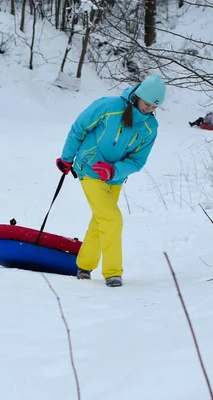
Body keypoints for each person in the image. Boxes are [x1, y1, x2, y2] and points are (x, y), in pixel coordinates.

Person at [55, 74, 166, 287]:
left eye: (154, 107)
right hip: (89, 170)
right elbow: (79, 128)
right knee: (112, 219)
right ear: (138, 96)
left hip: (114, 179)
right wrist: (67, 158)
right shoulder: (109, 106)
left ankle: (84, 266)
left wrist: (114, 171)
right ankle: (113, 272)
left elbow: (137, 161)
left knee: (100, 221)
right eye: (147, 104)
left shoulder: (150, 128)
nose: (149, 109)